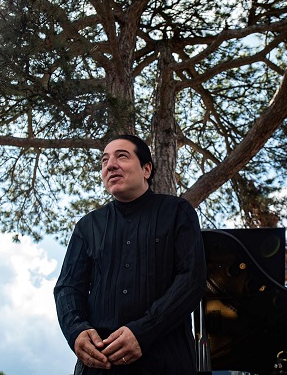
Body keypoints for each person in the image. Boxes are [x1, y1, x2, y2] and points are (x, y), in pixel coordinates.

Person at [54, 134, 207, 374]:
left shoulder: (177, 211)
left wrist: (145, 331)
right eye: (104, 161)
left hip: (166, 362)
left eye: (121, 156)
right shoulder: (87, 225)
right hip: (99, 365)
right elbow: (68, 288)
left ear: (146, 169)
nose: (110, 165)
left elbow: (192, 279)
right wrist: (75, 331)